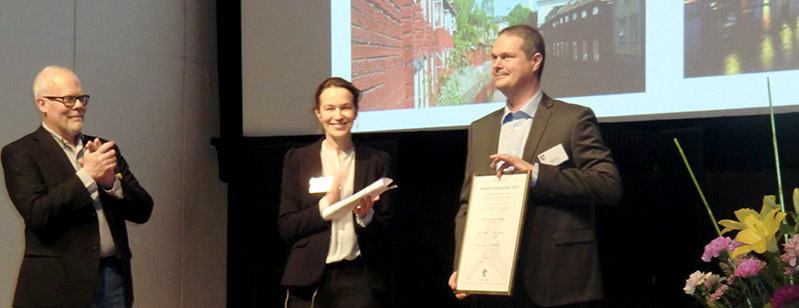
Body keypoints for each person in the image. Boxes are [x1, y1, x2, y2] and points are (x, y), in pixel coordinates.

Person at [448, 25, 623, 307]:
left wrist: (536, 175)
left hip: (556, 280)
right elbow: (468, 204)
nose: (496, 64)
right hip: (492, 281)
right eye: (493, 57)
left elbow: (608, 185)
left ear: (535, 61)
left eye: (506, 57)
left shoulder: (572, 119)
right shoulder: (480, 129)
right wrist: (463, 263)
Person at [1, 66, 154, 308]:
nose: (79, 105)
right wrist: (86, 176)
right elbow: (37, 213)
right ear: (43, 104)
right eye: (68, 99)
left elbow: (143, 210)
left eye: (81, 98)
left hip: (113, 276)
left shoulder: (103, 148)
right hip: (57, 284)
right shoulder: (20, 153)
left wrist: (109, 182)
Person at [278, 77, 393, 308]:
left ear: (356, 111)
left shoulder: (376, 160)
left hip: (358, 276)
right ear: (318, 113)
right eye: (329, 108)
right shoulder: (299, 159)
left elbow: (389, 227)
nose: (338, 116)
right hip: (309, 277)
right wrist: (325, 207)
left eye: (345, 107)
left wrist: (365, 216)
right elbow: (287, 226)